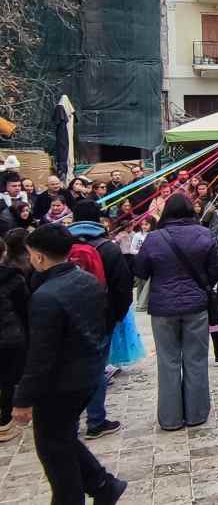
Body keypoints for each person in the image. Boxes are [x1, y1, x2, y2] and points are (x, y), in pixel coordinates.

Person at [12, 224, 125, 504]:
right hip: (88, 374)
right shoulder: (86, 280)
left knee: (54, 452)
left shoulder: (46, 297)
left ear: (38, 257)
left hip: (61, 385)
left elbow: (41, 356)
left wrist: (23, 399)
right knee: (62, 438)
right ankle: (103, 485)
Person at [134, 193, 218, 431]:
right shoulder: (203, 234)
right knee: (196, 360)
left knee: (167, 361)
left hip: (163, 308)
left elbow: (140, 270)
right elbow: (215, 271)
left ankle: (170, 418)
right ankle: (197, 414)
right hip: (196, 306)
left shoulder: (153, 238)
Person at [67, 200, 134, 441]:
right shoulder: (109, 247)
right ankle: (96, 421)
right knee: (96, 369)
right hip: (99, 318)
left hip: (64, 318)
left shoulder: (61, 244)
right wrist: (115, 316)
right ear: (99, 219)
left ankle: (70, 424)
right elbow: (122, 287)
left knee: (69, 369)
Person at [0, 236, 30, 443]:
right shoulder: (13, 278)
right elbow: (25, 308)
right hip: (10, 336)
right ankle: (4, 423)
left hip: (9, 334)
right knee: (8, 379)